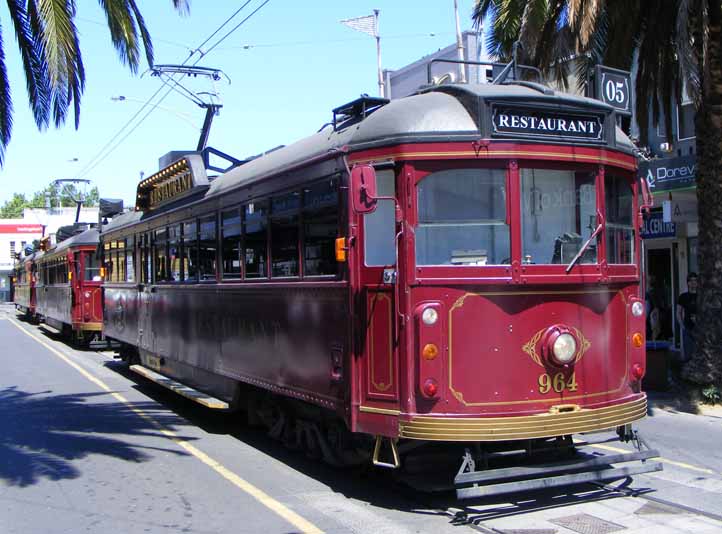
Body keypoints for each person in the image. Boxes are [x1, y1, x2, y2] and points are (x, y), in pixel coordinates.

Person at [677, 272, 698, 362]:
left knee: (699, 355)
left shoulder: (702, 295)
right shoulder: (683, 297)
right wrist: (682, 326)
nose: (694, 282)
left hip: (700, 329)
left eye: (695, 280)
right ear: (688, 283)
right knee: (688, 356)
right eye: (691, 280)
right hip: (688, 329)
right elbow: (678, 312)